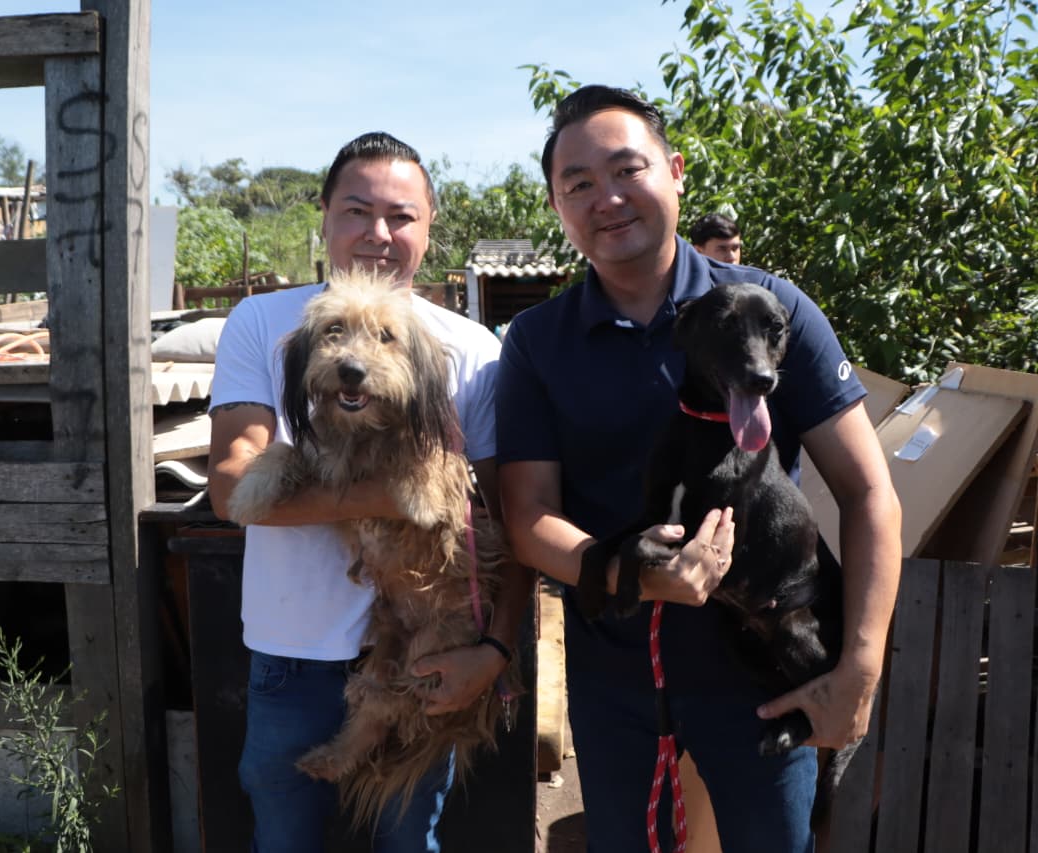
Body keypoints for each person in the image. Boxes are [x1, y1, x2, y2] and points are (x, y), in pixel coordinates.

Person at [495, 85, 901, 852]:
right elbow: (528, 516)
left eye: (628, 169)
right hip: (616, 683)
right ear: (556, 205)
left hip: (761, 680)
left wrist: (860, 665)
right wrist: (637, 576)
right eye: (579, 183)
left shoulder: (772, 310)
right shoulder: (539, 341)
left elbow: (869, 491)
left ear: (676, 171)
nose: (608, 198)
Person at [207, 131, 533, 853]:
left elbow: (508, 520)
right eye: (357, 210)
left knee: (407, 837)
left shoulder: (469, 349)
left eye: (400, 216)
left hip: (433, 640)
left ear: (429, 227)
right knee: (283, 839)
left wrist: (495, 649)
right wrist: (379, 498)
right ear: (324, 215)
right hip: (293, 651)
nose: (378, 234)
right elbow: (233, 487)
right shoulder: (264, 323)